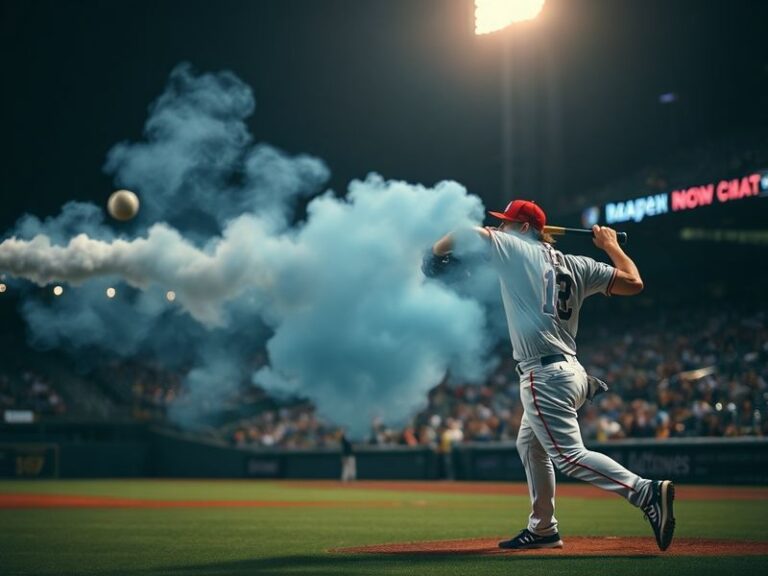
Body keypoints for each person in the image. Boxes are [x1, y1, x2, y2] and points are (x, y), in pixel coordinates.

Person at [424, 199, 675, 551]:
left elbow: (471, 233)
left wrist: (435, 253)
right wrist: (611, 247)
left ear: (524, 229)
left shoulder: (516, 248)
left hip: (544, 375)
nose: (500, 228)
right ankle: (543, 529)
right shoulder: (578, 264)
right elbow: (634, 282)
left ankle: (644, 491)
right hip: (570, 371)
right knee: (529, 445)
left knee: (568, 456)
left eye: (508, 223)